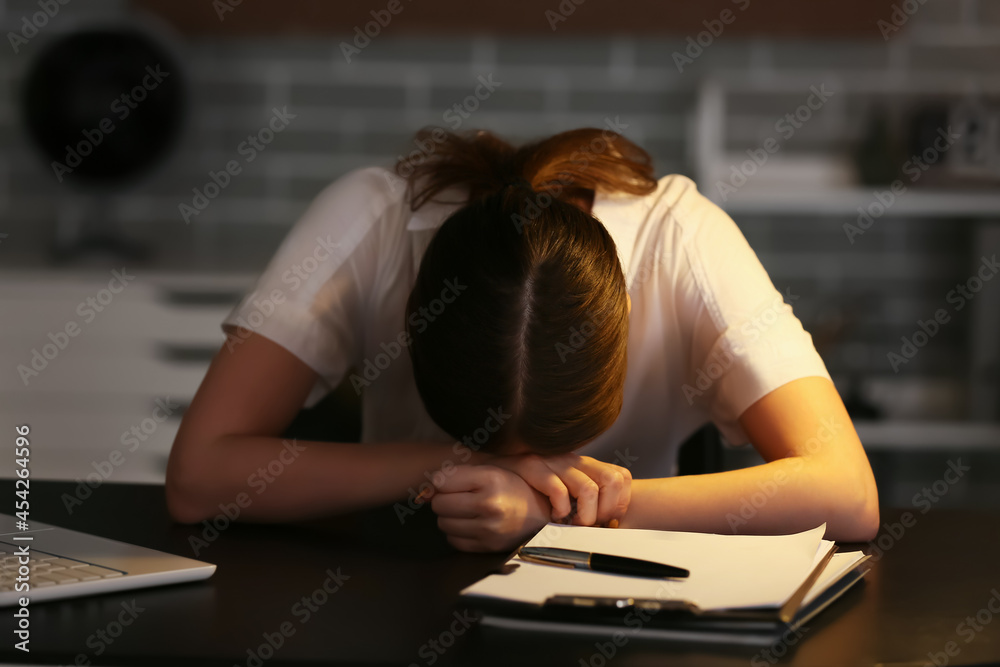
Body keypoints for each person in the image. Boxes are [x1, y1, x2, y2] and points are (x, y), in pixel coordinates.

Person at [165, 127, 879, 552]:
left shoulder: (683, 242)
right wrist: (444, 463)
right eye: (503, 454)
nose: (523, 469)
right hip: (397, 583)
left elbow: (846, 491)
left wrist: (564, 510)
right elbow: (200, 477)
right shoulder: (373, 220)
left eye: (550, 452)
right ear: (418, 319)